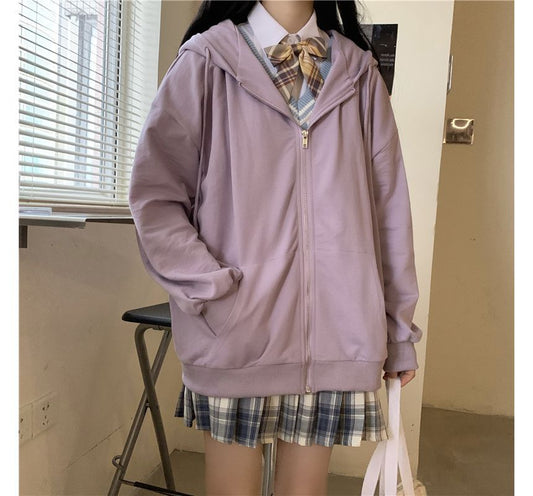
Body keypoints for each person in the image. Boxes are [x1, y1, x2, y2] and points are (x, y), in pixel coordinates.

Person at [129, 1, 423, 494]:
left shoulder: (359, 74)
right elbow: (155, 197)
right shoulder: (206, 61)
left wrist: (397, 333)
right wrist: (212, 290)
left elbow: (389, 210)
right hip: (236, 338)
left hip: (337, 335)